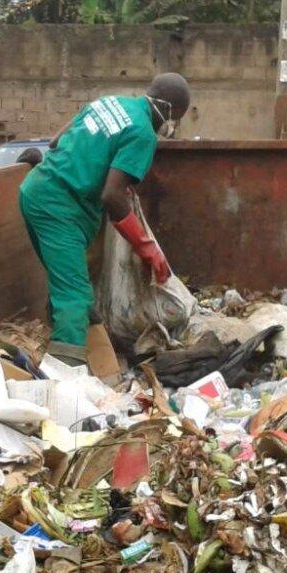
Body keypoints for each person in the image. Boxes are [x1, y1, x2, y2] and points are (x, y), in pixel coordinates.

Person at [19, 73, 191, 365]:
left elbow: (56, 142)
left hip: (35, 191)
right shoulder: (142, 133)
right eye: (177, 119)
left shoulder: (109, 102)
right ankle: (65, 375)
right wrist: (147, 248)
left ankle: (94, 357)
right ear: (170, 111)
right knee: (73, 296)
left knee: (72, 286)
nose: (170, 127)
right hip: (59, 209)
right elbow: (112, 196)